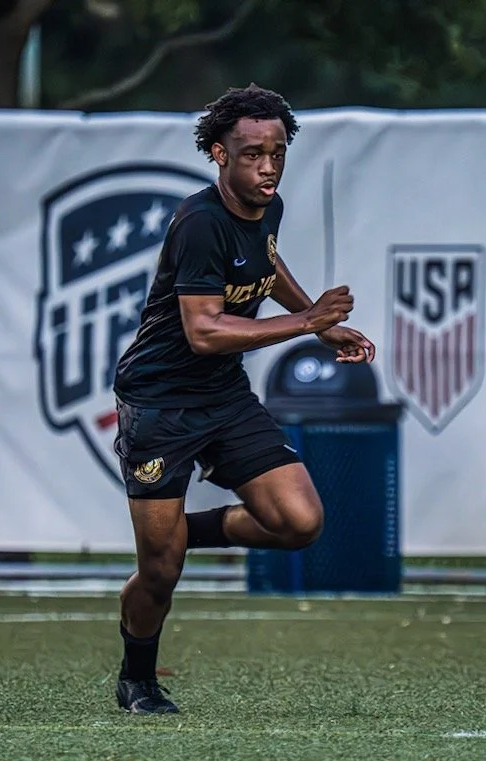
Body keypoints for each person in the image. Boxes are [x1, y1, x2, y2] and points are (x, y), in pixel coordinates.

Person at [109, 83, 375, 714]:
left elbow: (266, 262)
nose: (267, 166)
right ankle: (137, 679)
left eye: (277, 153)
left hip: (224, 396)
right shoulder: (199, 222)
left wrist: (317, 316)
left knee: (298, 521)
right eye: (252, 154)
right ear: (218, 154)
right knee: (159, 575)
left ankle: (177, 534)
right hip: (161, 404)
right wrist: (308, 325)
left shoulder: (268, 206)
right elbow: (204, 333)